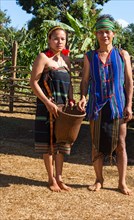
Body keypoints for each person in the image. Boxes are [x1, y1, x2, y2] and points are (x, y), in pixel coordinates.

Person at [78, 14, 133, 195]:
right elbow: (85, 80)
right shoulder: (90, 56)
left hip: (118, 105)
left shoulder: (122, 54)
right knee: (96, 144)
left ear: (114, 34)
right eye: (100, 32)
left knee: (121, 144)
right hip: (96, 106)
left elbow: (129, 81)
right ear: (96, 35)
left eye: (107, 32)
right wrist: (83, 96)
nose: (104, 35)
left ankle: (122, 183)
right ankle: (98, 179)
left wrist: (129, 105)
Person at [30, 26, 75, 192]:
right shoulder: (43, 57)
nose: (59, 41)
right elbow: (33, 83)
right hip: (47, 106)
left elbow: (70, 84)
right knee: (49, 143)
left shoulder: (66, 60)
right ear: (49, 40)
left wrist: (71, 99)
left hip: (63, 109)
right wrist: (47, 103)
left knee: (61, 143)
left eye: (62, 39)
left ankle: (60, 178)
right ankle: (51, 179)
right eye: (56, 38)